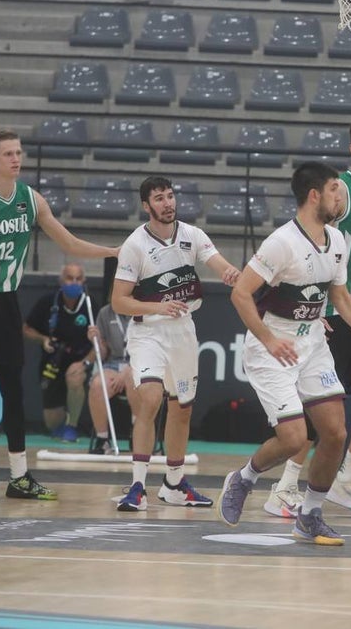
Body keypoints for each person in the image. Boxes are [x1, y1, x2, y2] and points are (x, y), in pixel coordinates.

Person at [0, 129, 118, 502]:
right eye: (8, 153)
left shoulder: (30, 199)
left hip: (6, 302)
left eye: (19, 152)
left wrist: (113, 251)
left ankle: (19, 477)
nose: (16, 159)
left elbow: (69, 242)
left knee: (13, 390)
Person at [220, 162, 351, 545]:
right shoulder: (282, 242)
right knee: (293, 438)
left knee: (334, 433)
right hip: (273, 348)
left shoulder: (336, 239)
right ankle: (243, 478)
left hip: (312, 344)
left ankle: (310, 515)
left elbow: (340, 296)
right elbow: (241, 293)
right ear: (314, 195)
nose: (341, 197)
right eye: (336, 189)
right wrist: (269, 338)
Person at [264, 117, 351, 518]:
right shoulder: (341, 190)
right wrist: (318, 306)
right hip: (337, 310)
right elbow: (313, 241)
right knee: (317, 403)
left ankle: (346, 477)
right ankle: (285, 485)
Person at [111, 176, 241, 512]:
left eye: (170, 196)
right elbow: (119, 301)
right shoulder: (135, 245)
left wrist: (231, 272)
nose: (167, 203)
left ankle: (174, 484)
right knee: (150, 398)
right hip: (148, 332)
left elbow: (219, 263)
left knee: (182, 408)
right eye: (159, 198)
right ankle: (137, 486)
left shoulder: (192, 235)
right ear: (146, 205)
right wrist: (158, 307)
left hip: (182, 330)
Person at [22, 263, 95, 442]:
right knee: (52, 423)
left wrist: (85, 362)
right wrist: (43, 339)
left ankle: (72, 426)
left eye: (78, 279)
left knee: (74, 376)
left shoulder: (90, 304)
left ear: (84, 281)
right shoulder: (48, 302)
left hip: (79, 360)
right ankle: (62, 421)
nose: (74, 283)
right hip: (53, 362)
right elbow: (26, 329)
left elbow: (101, 343)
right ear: (61, 281)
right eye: (70, 278)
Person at [86, 302, 140, 456]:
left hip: (139, 363)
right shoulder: (105, 312)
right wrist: (96, 341)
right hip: (113, 364)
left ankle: (137, 434)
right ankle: (102, 439)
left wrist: (128, 370)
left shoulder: (143, 309)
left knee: (133, 380)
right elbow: (102, 355)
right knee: (98, 385)